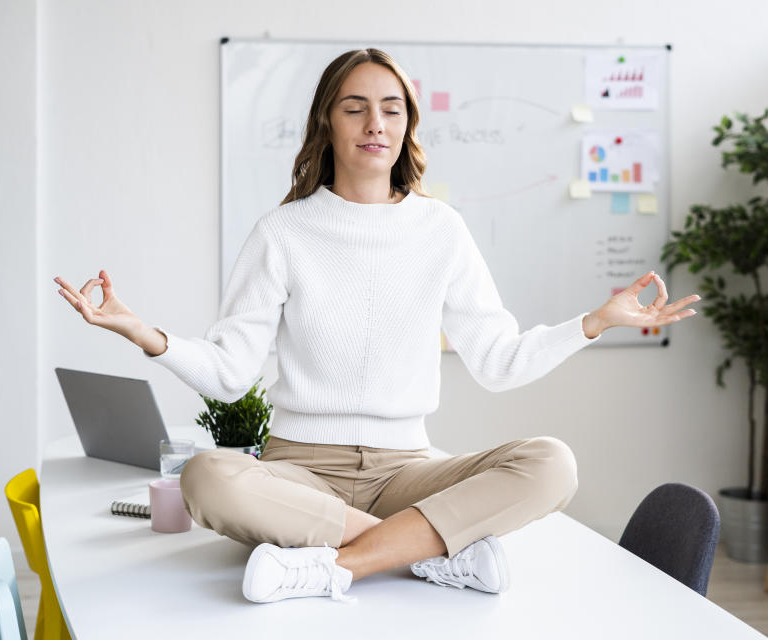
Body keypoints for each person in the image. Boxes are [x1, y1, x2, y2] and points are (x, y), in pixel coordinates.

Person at [53, 48, 700, 605]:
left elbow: (500, 362)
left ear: (408, 124)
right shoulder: (282, 234)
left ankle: (341, 561)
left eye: (392, 108)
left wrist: (596, 321)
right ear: (326, 123)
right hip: (299, 474)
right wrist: (144, 333)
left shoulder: (441, 230)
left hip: (407, 473)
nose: (375, 123)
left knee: (552, 464)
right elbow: (229, 375)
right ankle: (426, 550)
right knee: (206, 477)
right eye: (355, 106)